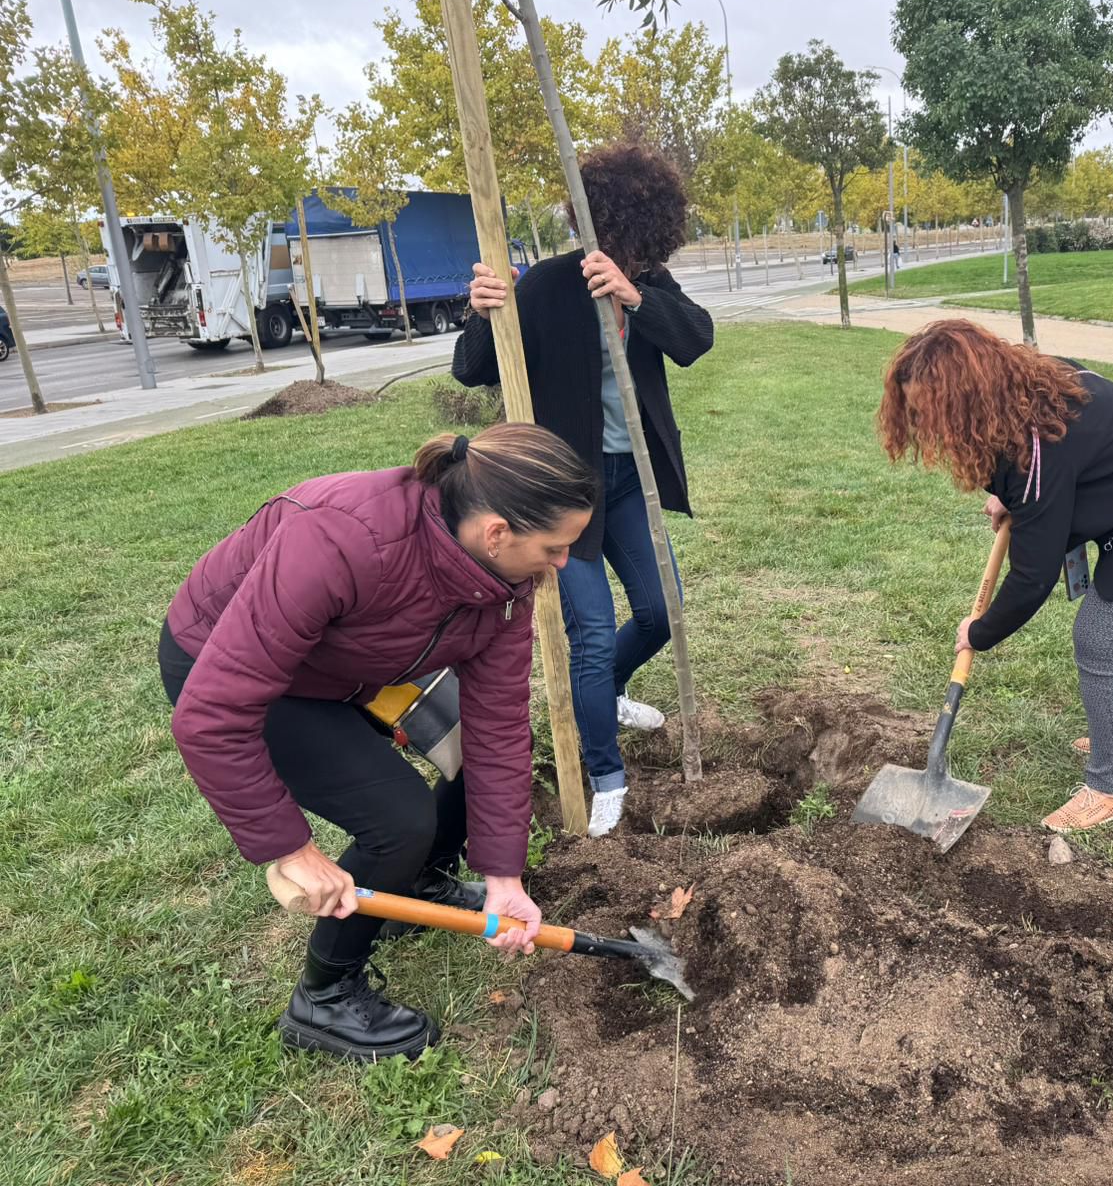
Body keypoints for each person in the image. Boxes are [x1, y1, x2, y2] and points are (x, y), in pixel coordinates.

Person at [160, 424, 596, 1061]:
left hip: (357, 664)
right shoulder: (342, 537)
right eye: (555, 548)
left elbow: (497, 725)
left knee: (473, 757)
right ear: (496, 532)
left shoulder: (507, 585)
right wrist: (289, 849)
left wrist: (503, 875)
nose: (563, 565)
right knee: (399, 817)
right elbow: (213, 713)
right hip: (231, 667)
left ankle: (417, 884)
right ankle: (325, 998)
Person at [879, 319, 1113, 831]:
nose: (923, 422)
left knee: (1105, 638)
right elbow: (1041, 474)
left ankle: (1111, 790)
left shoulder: (1037, 456)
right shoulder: (1030, 386)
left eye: (932, 411)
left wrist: (979, 633)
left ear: (971, 399)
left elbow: (1033, 575)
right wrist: (1007, 494)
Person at [452, 142, 714, 839]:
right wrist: (482, 311)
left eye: (639, 250)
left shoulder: (650, 280)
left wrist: (638, 296)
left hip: (633, 483)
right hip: (564, 493)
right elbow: (473, 370)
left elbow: (696, 340)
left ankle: (612, 695)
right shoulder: (548, 283)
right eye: (618, 245)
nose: (628, 258)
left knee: (663, 612)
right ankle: (606, 774)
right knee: (591, 634)